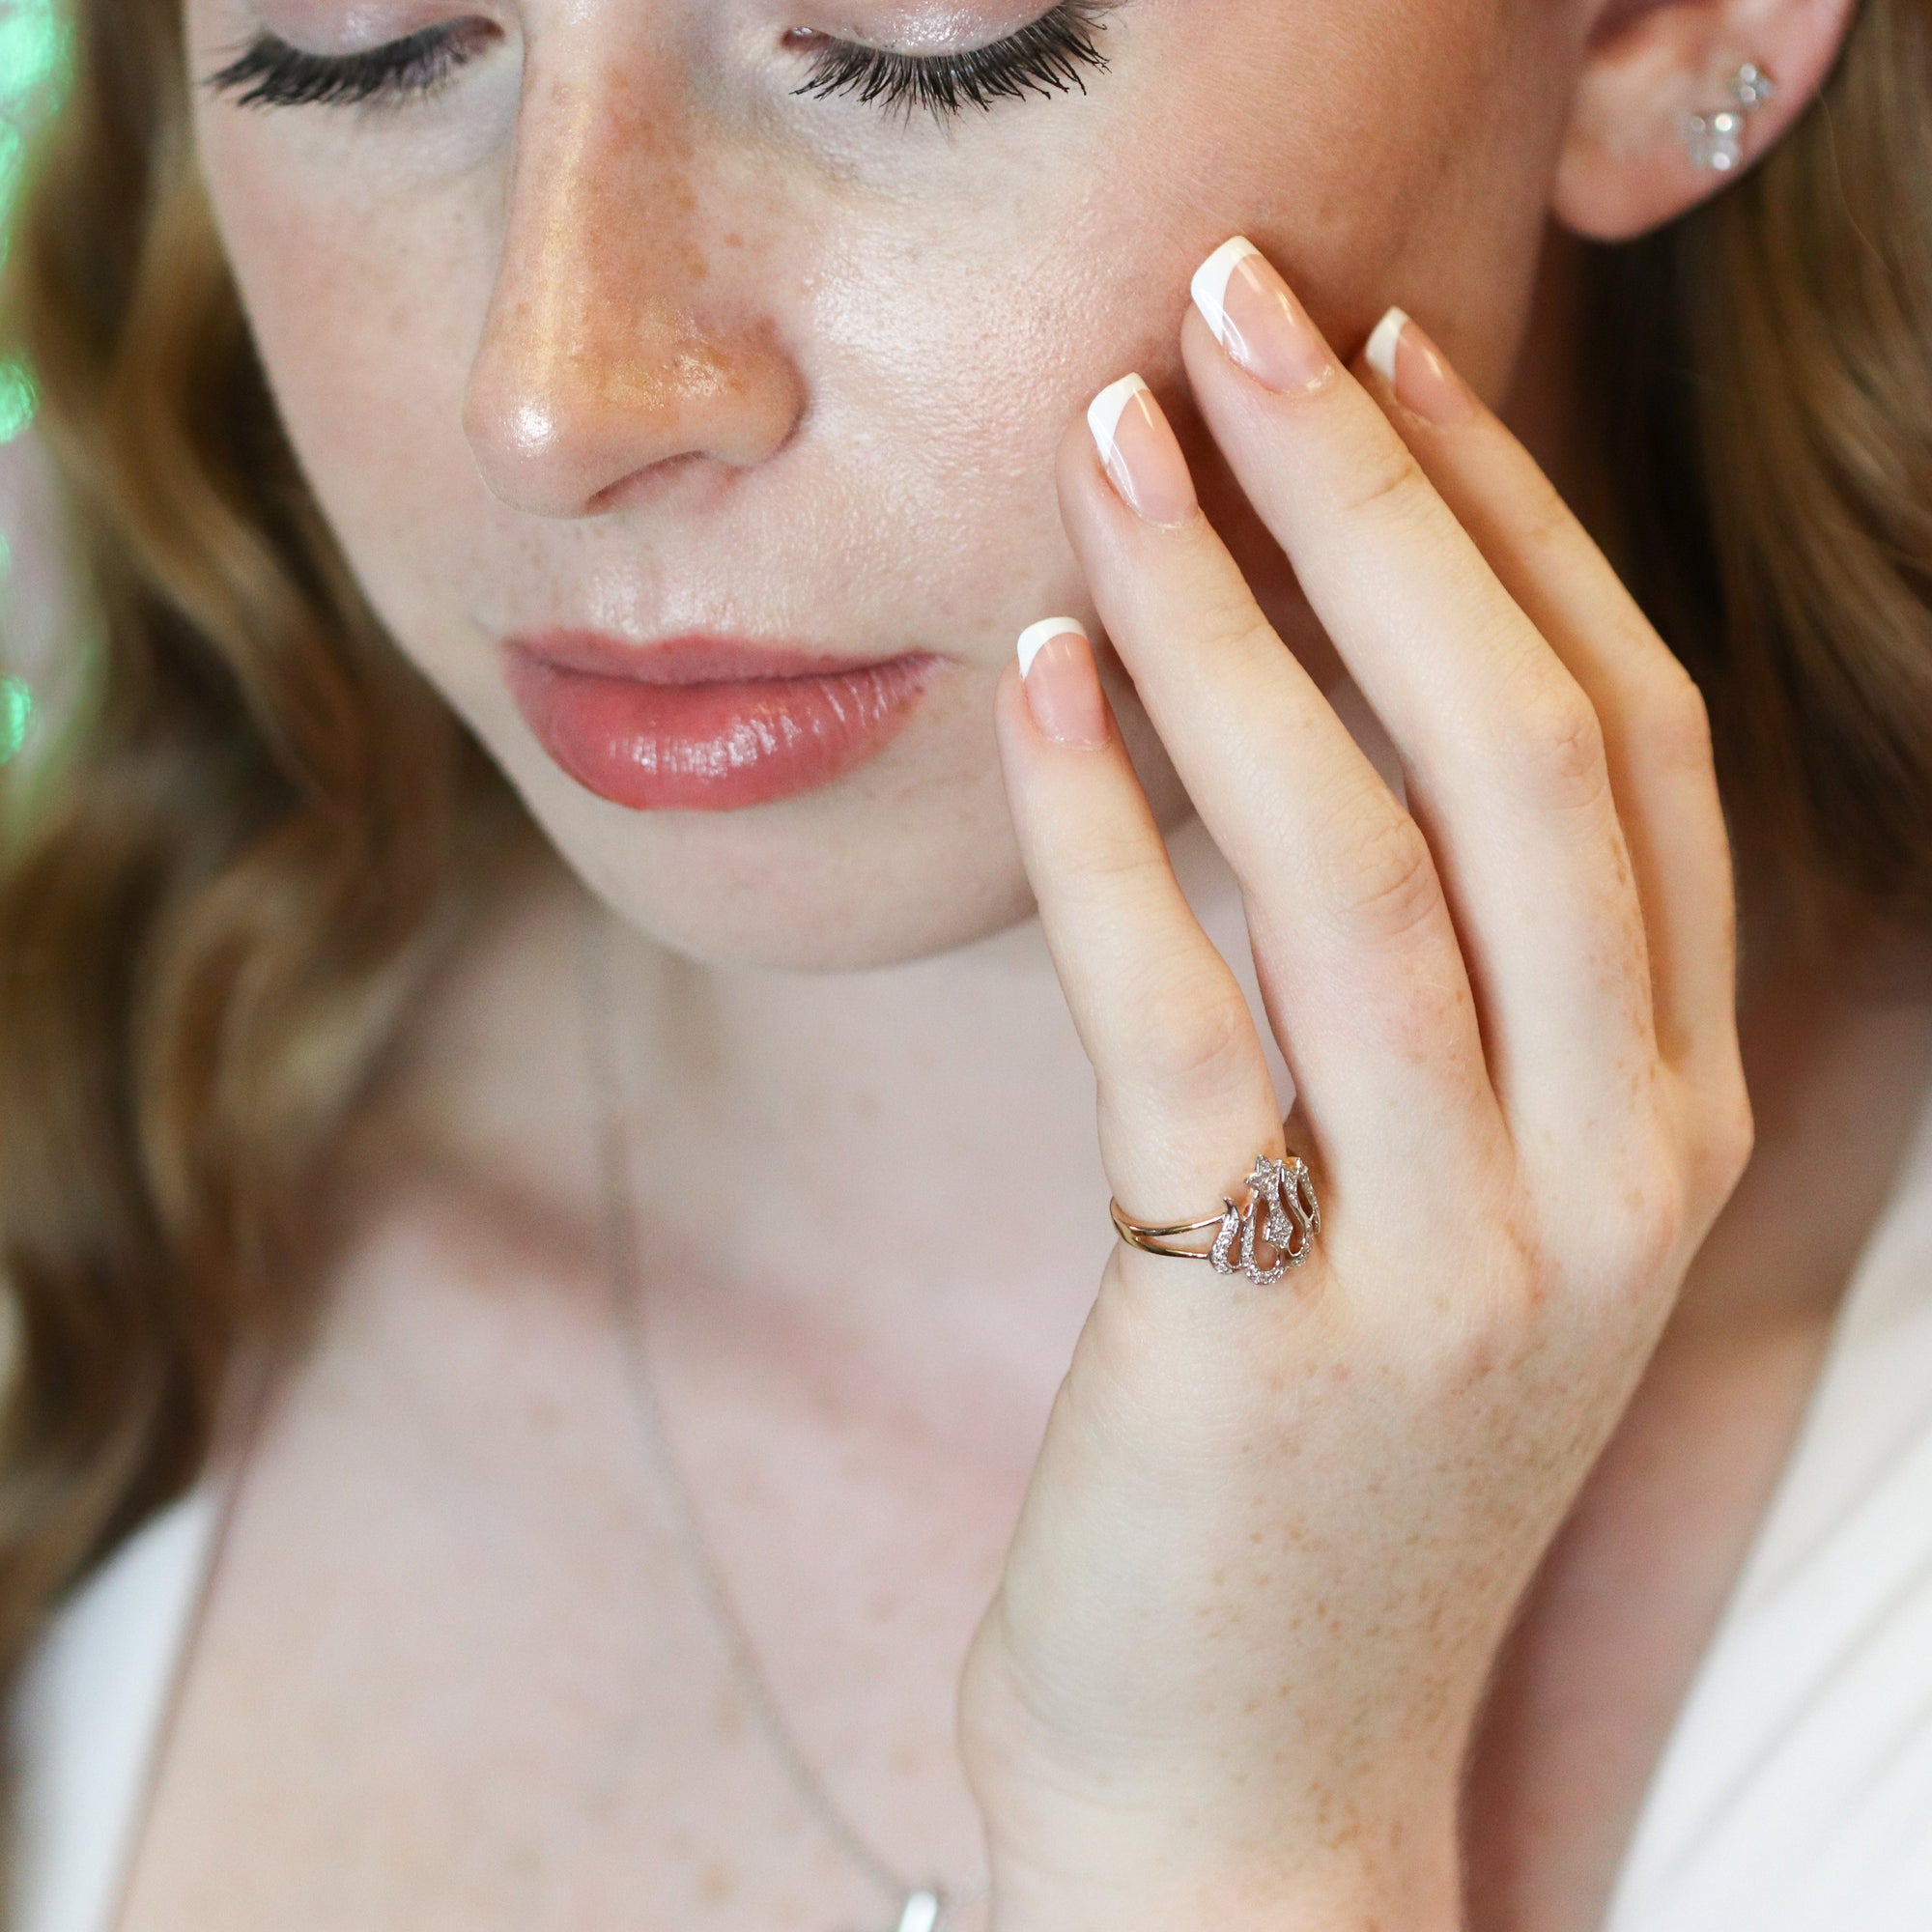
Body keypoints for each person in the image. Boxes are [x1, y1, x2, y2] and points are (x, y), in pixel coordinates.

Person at [3, 0, 1932, 1925]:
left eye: (924, 38)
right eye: (363, 40)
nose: (555, 388)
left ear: (1657, 33)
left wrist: (1229, 1850)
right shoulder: (84, 1168)